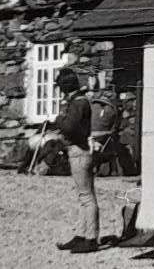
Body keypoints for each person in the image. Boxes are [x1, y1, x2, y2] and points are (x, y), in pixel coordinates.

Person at [53, 70, 101, 254]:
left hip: (78, 151)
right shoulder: (81, 101)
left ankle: (90, 238)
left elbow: (69, 127)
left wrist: (58, 119)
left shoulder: (77, 103)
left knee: (87, 197)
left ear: (64, 87)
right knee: (85, 196)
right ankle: (82, 234)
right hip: (83, 151)